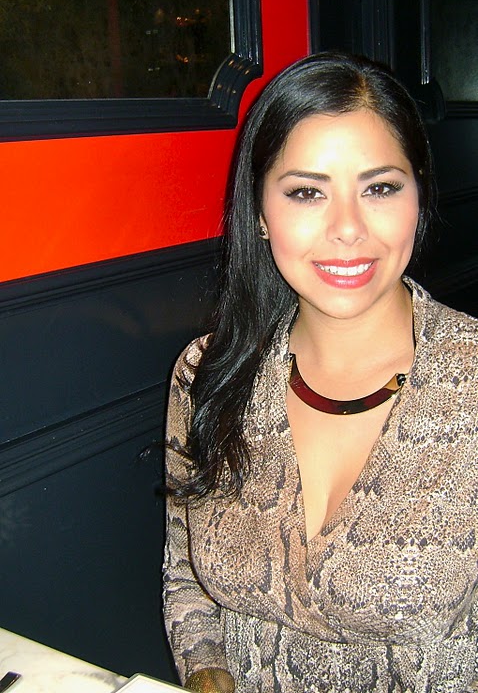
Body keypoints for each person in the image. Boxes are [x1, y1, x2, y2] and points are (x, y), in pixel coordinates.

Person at [162, 52, 478, 693]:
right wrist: (208, 675)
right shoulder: (208, 373)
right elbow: (186, 577)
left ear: (419, 195)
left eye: (380, 188)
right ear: (259, 211)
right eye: (307, 192)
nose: (347, 229)